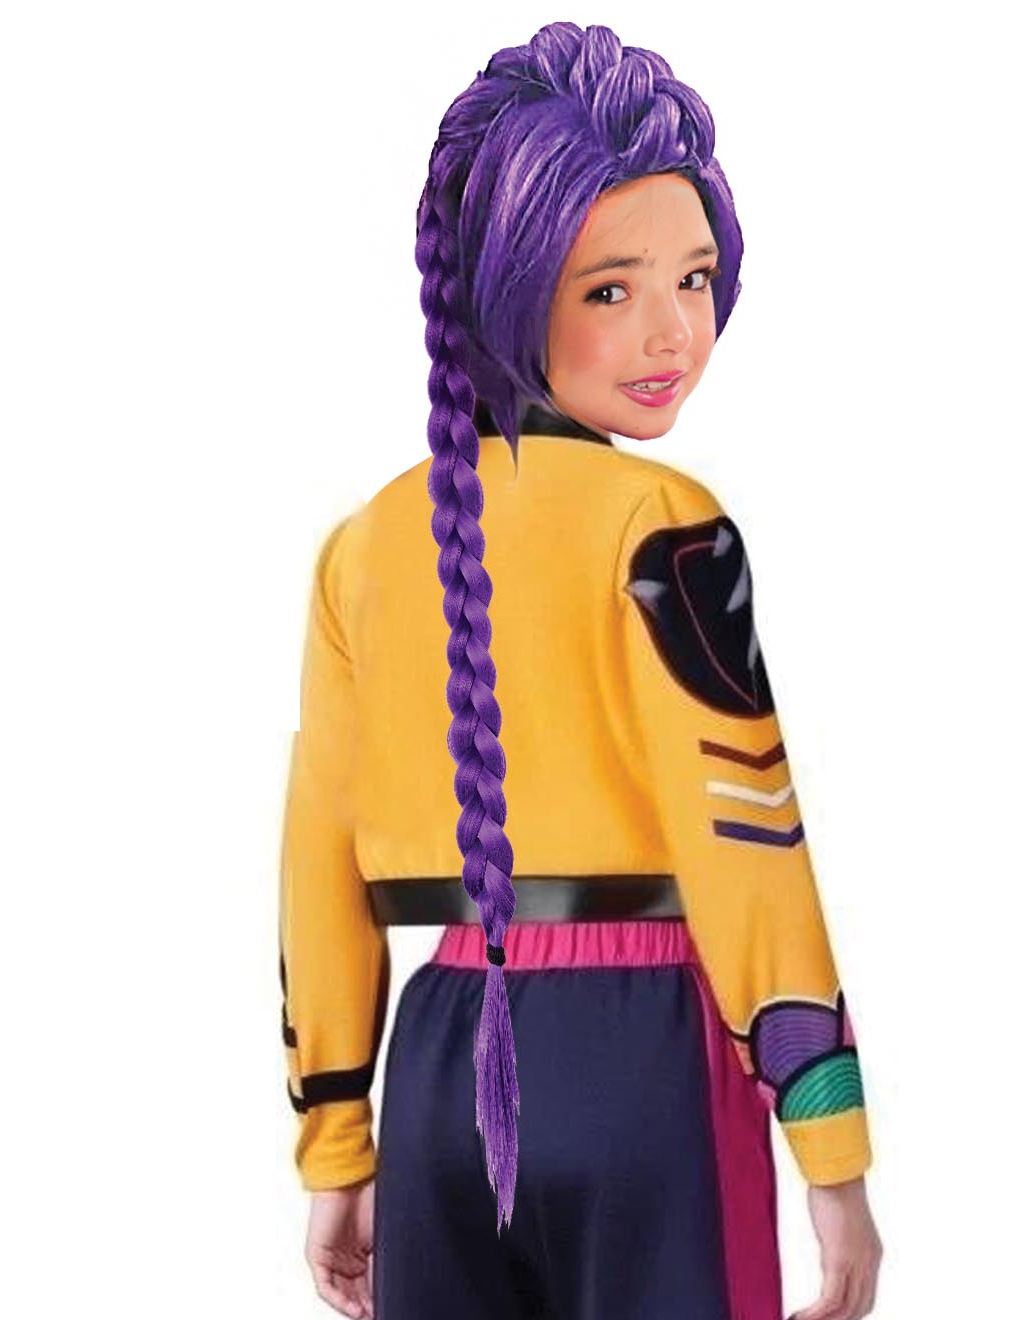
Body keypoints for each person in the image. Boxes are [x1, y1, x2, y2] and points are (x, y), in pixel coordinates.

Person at [278, 21, 884, 1320]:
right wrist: (832, 1153)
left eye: (696, 278)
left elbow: (315, 863)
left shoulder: (362, 548)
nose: (673, 331)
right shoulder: (666, 524)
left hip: (437, 1069)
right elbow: (746, 839)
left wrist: (336, 1147)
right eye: (611, 290)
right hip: (646, 1059)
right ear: (507, 291)